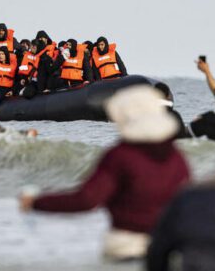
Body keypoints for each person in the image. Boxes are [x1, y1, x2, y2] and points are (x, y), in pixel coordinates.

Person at [19, 86, 190, 261]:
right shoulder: (177, 157)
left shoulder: (121, 155)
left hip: (127, 246)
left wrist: (36, 202)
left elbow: (87, 199)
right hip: (168, 246)